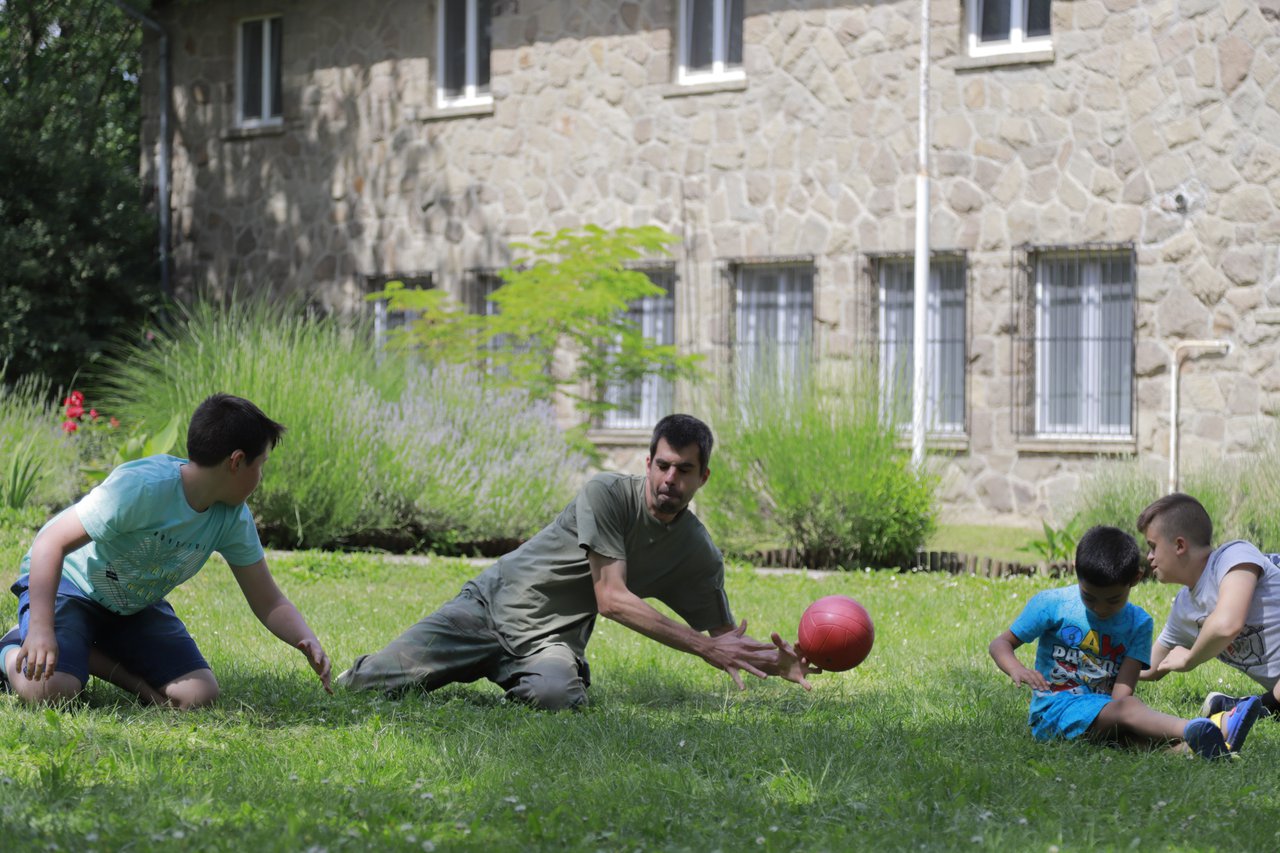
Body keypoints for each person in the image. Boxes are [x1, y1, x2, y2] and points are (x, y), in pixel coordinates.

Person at [337, 413, 816, 709]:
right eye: (663, 464)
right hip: (487, 608)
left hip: (550, 640)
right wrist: (701, 647)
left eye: (684, 470)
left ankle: (517, 677)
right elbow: (611, 599)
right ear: (647, 463)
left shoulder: (697, 554)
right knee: (364, 687)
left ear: (702, 477)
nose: (671, 478)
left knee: (557, 697)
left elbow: (724, 641)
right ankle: (402, 666)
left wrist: (778, 662)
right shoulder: (605, 494)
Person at [0, 393, 332, 708]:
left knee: (198, 694)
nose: (261, 477)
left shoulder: (231, 517)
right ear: (237, 461)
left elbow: (268, 600)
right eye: (261, 465)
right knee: (51, 691)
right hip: (70, 588)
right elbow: (49, 543)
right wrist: (42, 630)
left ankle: (82, 646)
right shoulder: (142, 488)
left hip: (131, 606)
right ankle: (13, 646)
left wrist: (306, 639)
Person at [989, 525, 1261, 759]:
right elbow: (1001, 644)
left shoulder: (1139, 623)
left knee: (1130, 723)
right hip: (1053, 712)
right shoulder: (1052, 604)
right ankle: (1211, 727)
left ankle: (1187, 750)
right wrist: (1017, 669)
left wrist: (1126, 716)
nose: (1101, 608)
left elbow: (1121, 694)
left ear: (1135, 580)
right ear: (1076, 572)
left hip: (1102, 712)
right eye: (1090, 597)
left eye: (1113, 599)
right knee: (1130, 712)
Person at [1136, 492, 1280, 720]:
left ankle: (1250, 708)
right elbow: (1150, 666)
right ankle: (1250, 708)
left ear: (1180, 545)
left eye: (1153, 546)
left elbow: (1226, 624)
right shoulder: (1184, 608)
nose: (1149, 557)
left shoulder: (1234, 556)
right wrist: (1104, 669)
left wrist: (1190, 658)